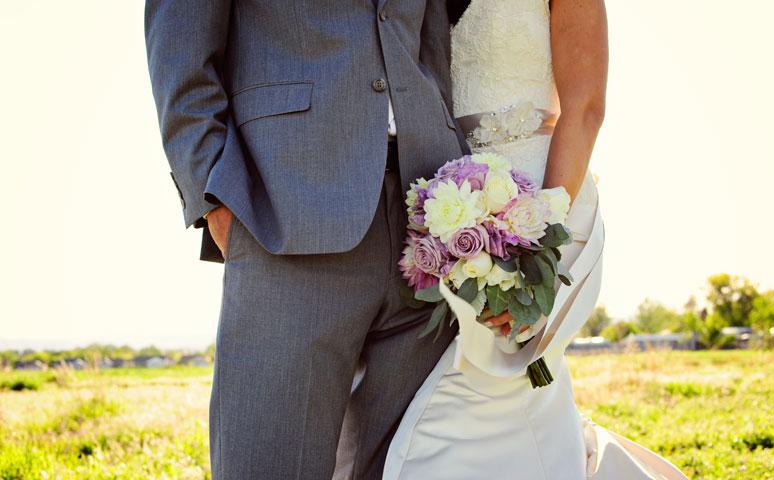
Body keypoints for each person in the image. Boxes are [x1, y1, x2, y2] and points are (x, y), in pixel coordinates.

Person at [144, 1, 466, 478]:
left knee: (405, 466)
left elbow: (433, 46)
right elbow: (180, 56)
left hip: (426, 212)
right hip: (287, 206)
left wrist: (454, 168)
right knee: (271, 463)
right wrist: (214, 196)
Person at [382, 1, 689, 478]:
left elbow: (585, 107)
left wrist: (538, 238)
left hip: (539, 199)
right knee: (473, 393)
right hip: (440, 198)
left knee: (483, 391)